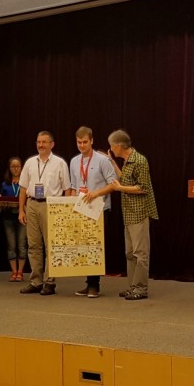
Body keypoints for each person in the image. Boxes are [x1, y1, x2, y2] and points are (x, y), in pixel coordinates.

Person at [18, 131, 71, 295]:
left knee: (51, 246)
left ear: (52, 144)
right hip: (32, 204)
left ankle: (50, 282)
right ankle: (36, 281)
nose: (41, 145)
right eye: (38, 142)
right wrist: (21, 209)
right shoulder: (29, 162)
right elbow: (23, 187)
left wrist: (64, 210)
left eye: (44, 142)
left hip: (51, 205)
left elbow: (67, 189)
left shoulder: (60, 163)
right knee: (33, 245)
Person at [108, 130, 158, 300]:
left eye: (112, 146)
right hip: (128, 213)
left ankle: (141, 288)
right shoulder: (127, 161)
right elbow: (125, 180)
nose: (111, 149)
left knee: (140, 252)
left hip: (139, 212)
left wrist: (120, 189)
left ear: (119, 145)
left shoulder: (140, 160)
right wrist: (113, 164)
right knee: (130, 253)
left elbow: (143, 187)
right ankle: (133, 286)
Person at [69, 126, 117, 298]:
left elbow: (114, 184)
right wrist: (71, 206)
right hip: (81, 208)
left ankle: (94, 285)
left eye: (85, 142)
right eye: (79, 142)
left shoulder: (102, 160)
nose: (82, 145)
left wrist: (96, 193)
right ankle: (88, 282)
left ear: (92, 141)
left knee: (95, 246)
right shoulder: (74, 161)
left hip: (99, 208)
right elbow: (74, 186)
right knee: (84, 246)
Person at [0, 156, 27, 282]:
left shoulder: (25, 183)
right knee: (11, 245)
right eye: (13, 167)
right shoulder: (5, 184)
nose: (15, 169)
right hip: (8, 217)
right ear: (9, 169)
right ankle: (13, 272)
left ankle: (20, 272)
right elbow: (2, 199)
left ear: (22, 167)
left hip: (22, 217)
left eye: (18, 166)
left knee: (21, 244)